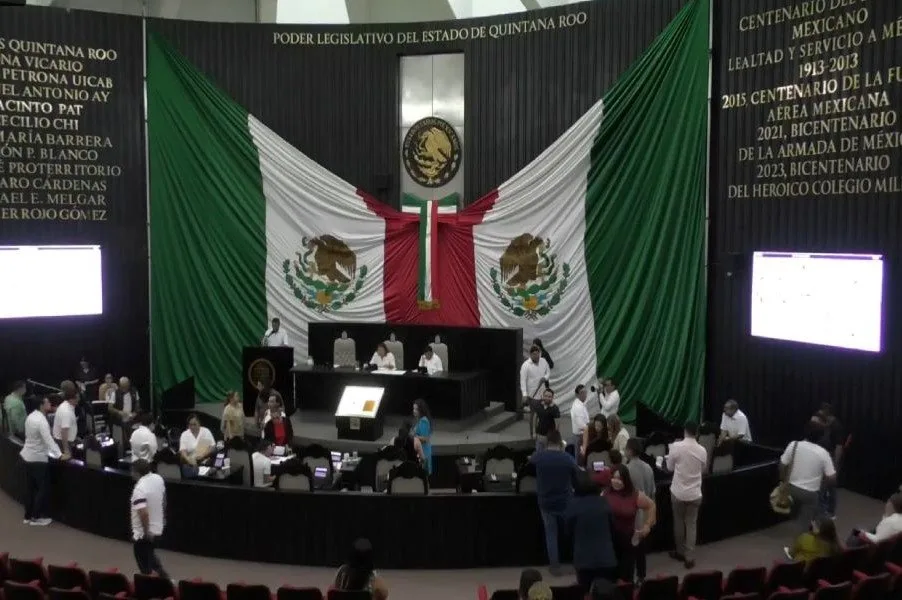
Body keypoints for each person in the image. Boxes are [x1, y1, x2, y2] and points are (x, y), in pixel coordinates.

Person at [529, 429, 578, 576]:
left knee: (551, 534)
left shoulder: (539, 457)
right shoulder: (567, 458)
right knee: (571, 533)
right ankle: (576, 562)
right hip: (565, 501)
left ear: (547, 442)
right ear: (560, 442)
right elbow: (577, 474)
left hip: (546, 502)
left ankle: (555, 566)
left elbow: (530, 462)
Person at [20, 396, 69, 526]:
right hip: (38, 459)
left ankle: (27, 516)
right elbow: (49, 440)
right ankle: (36, 518)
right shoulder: (42, 421)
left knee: (30, 488)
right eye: (47, 402)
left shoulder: (30, 416)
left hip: (27, 456)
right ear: (41, 405)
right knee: (41, 489)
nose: (50, 403)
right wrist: (60, 455)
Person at [565, 471, 617, 592]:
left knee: (585, 592)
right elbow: (613, 527)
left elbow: (567, 531)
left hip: (583, 560)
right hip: (606, 558)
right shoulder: (604, 503)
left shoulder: (573, 505)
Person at [781, 420, 836, 534]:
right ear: (821, 437)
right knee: (805, 523)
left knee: (796, 515)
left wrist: (783, 480)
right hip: (810, 494)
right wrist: (822, 485)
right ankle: (796, 548)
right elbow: (832, 478)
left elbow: (782, 464)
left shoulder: (793, 444)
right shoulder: (823, 453)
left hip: (791, 488)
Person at [666, 420, 707, 569]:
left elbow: (670, 468)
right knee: (691, 525)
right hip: (695, 493)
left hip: (678, 492)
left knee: (678, 523)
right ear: (697, 433)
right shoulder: (702, 450)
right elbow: (703, 469)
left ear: (685, 431)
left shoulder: (676, 447)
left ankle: (679, 552)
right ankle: (689, 557)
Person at [604, 464, 656, 583]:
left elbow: (651, 505)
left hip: (627, 541)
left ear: (626, 480)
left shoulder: (634, 495)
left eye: (620, 479)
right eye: (614, 477)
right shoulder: (605, 494)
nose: (616, 481)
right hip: (609, 542)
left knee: (626, 578)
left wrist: (647, 525)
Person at [130, 459, 169, 578]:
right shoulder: (157, 479)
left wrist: (147, 532)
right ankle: (166, 580)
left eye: (132, 471)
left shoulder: (139, 489)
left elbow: (143, 514)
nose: (131, 474)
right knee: (151, 556)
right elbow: (164, 498)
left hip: (145, 533)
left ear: (137, 473)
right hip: (158, 526)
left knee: (144, 564)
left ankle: (151, 587)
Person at [624, 438, 655, 583]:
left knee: (631, 549)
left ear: (630, 451)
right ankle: (641, 576)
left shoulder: (627, 470)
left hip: (633, 514)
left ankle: (629, 578)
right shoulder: (648, 468)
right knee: (641, 548)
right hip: (646, 513)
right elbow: (652, 493)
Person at [813, 404, 845, 518]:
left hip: (831, 459)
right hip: (825, 458)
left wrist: (835, 465)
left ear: (828, 414)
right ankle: (826, 510)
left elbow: (839, 447)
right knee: (827, 488)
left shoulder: (836, 427)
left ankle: (829, 512)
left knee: (827, 487)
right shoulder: (826, 425)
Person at [528, 388, 560, 453]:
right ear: (543, 396)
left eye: (549, 396)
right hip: (540, 434)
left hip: (550, 437)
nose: (547, 398)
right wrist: (534, 432)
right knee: (539, 453)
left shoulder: (555, 408)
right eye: (546, 396)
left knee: (549, 454)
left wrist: (555, 437)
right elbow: (535, 418)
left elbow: (557, 423)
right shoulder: (538, 405)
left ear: (552, 397)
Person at [52, 383, 80, 455]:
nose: (79, 399)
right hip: (63, 443)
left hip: (65, 440)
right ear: (71, 399)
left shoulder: (67, 405)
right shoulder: (66, 411)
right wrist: (66, 450)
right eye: (77, 397)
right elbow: (64, 431)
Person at [412, 399, 433, 474]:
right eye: (413, 408)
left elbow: (425, 438)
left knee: (423, 478)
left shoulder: (423, 421)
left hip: (424, 453)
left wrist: (414, 437)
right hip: (421, 451)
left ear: (421, 410)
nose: (414, 411)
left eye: (416, 409)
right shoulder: (420, 420)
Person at [570, 385, 591, 455]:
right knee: (580, 458)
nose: (584, 395)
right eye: (582, 393)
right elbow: (583, 427)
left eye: (585, 392)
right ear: (577, 394)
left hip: (581, 435)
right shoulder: (578, 407)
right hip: (581, 437)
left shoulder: (581, 403)